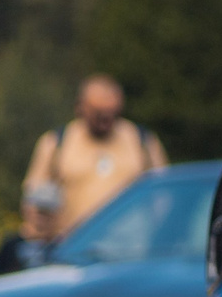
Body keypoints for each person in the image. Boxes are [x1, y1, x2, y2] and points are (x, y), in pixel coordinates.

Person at [23, 75, 166, 238]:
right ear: (80, 107)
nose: (105, 119)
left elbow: (163, 198)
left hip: (132, 250)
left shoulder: (143, 141)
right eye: (98, 113)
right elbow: (34, 201)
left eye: (111, 113)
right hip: (71, 247)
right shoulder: (56, 142)